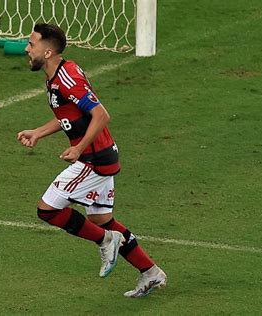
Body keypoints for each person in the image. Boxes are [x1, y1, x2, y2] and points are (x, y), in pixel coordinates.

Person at [17, 23, 166, 298]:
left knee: (47, 210)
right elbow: (71, 116)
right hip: (101, 154)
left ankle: (105, 241)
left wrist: (78, 149)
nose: (27, 48)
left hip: (93, 159)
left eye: (31, 43)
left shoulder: (67, 78)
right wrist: (38, 132)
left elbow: (101, 115)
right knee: (102, 219)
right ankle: (151, 272)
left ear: (47, 51)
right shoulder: (56, 76)